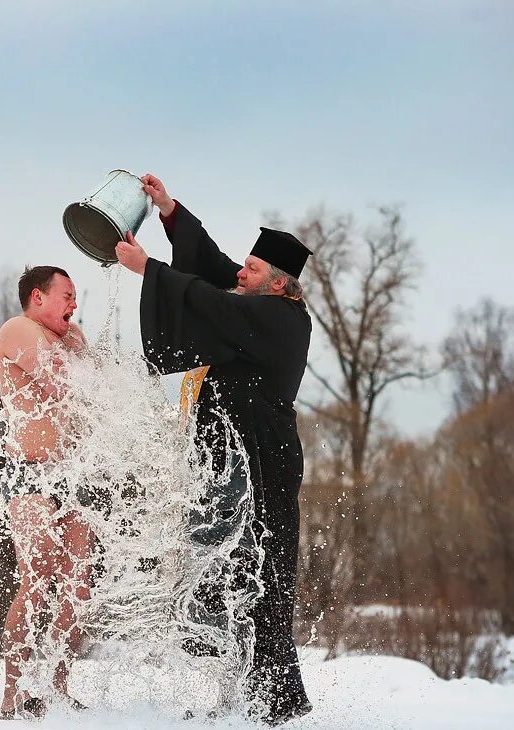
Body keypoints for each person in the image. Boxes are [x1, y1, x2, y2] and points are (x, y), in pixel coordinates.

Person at [115, 174, 313, 724]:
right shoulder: (261, 297)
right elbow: (215, 267)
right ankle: (248, 695)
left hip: (266, 463)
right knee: (230, 570)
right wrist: (171, 211)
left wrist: (149, 271)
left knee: (266, 578)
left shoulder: (283, 319)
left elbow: (213, 302)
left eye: (251, 270)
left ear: (277, 284)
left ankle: (278, 703)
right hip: (233, 462)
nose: (240, 274)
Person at [0, 265, 92, 718]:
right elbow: (65, 387)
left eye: (75, 298)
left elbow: (102, 392)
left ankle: (58, 684)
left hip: (71, 474)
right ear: (39, 297)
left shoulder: (72, 338)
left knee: (79, 585)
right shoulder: (18, 329)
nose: (74, 305)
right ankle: (12, 694)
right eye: (67, 296)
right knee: (40, 571)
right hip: (29, 471)